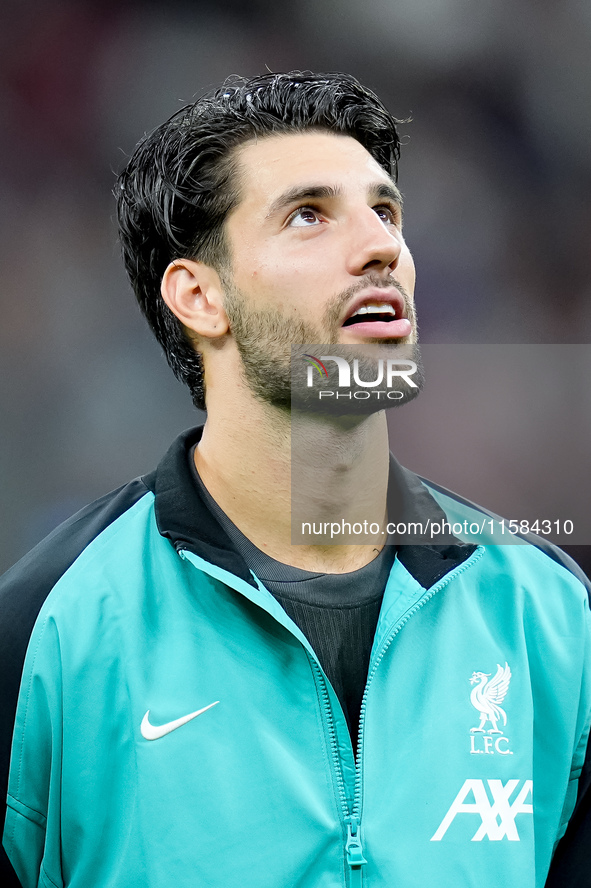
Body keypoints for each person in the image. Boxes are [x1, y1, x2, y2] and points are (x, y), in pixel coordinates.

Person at [0, 71, 589, 888]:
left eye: (384, 211)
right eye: (308, 215)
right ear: (200, 296)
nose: (380, 245)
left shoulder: (550, 619)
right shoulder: (46, 631)